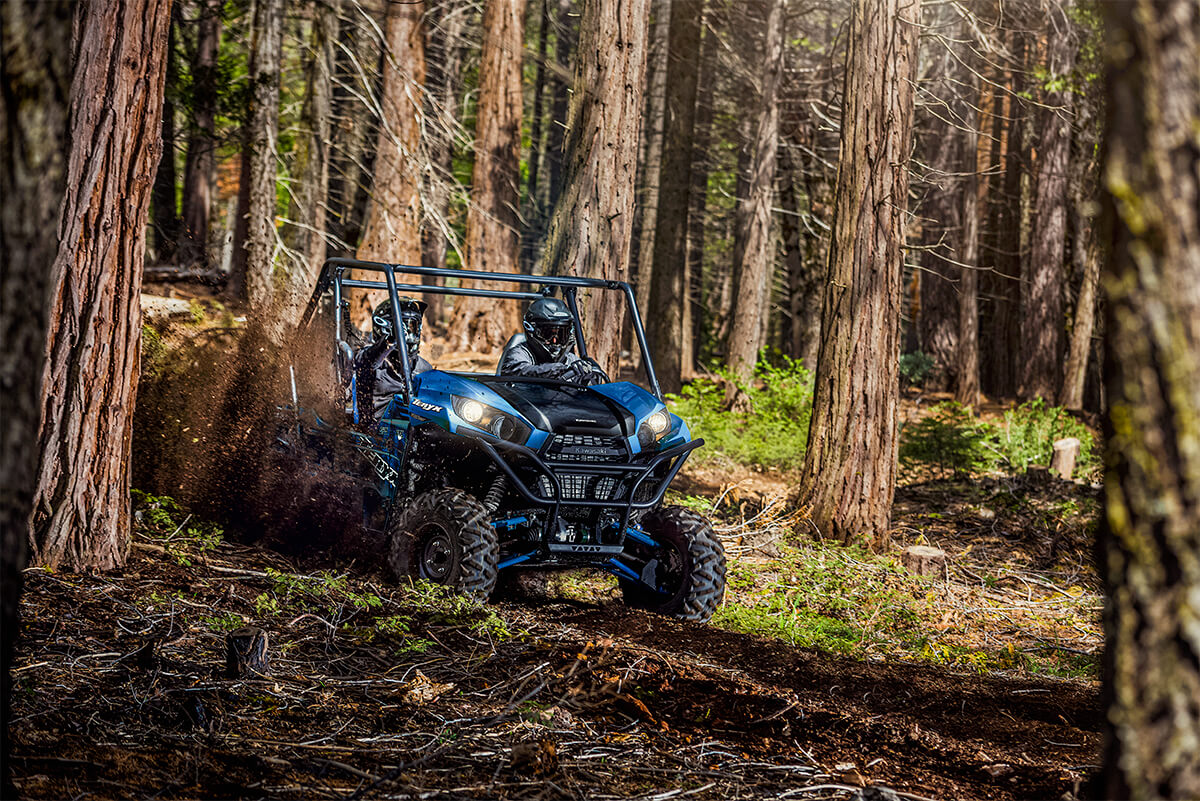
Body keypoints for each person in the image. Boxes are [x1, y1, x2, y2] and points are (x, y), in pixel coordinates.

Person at [354, 297, 432, 424]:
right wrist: (389, 343)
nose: (409, 335)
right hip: (374, 433)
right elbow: (366, 363)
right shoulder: (370, 357)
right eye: (402, 328)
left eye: (413, 327)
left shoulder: (423, 368)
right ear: (385, 327)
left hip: (413, 432)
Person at [498, 297, 608, 385]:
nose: (555, 340)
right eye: (548, 334)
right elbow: (518, 371)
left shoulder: (570, 360)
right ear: (531, 330)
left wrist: (588, 376)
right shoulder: (519, 353)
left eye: (561, 335)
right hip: (523, 408)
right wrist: (559, 370)